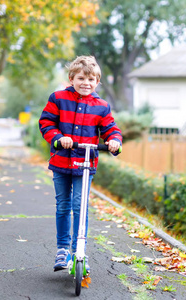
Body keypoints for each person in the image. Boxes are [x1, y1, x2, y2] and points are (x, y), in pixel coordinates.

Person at [38, 56, 122, 272]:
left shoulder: (101, 106)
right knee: (64, 205)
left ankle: (79, 250)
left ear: (97, 82)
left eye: (91, 79)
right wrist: (58, 137)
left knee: (80, 206)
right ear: (71, 78)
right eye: (81, 78)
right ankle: (63, 249)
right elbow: (46, 122)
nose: (86, 83)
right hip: (61, 161)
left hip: (85, 165)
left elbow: (110, 128)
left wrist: (113, 141)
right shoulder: (58, 98)